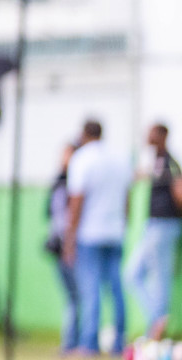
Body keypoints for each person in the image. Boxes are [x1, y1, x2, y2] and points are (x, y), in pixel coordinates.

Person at [66, 119, 133, 354]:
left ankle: (89, 343)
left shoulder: (82, 159)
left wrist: (69, 238)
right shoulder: (120, 158)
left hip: (90, 234)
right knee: (116, 289)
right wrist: (123, 225)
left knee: (90, 289)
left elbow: (76, 202)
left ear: (84, 134)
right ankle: (119, 342)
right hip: (115, 232)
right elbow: (127, 199)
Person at [129, 122, 182, 341]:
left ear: (162, 135)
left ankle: (156, 329)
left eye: (151, 132)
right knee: (133, 274)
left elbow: (179, 192)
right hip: (152, 225)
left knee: (159, 278)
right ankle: (157, 319)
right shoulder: (157, 161)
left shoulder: (170, 162)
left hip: (164, 225)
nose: (147, 135)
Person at [48, 142, 80, 353]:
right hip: (62, 245)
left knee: (75, 297)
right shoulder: (61, 183)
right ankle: (70, 341)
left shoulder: (72, 184)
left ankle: (72, 341)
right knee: (73, 296)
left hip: (70, 244)